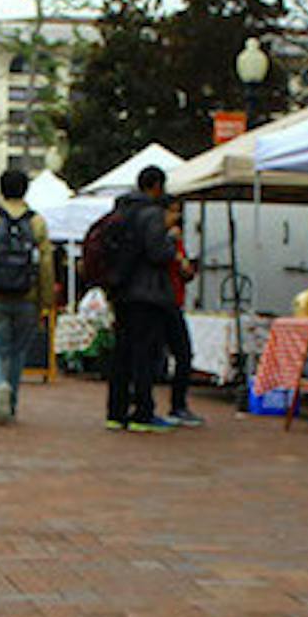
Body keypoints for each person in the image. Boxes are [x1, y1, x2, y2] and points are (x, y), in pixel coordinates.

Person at [0, 169, 54, 425]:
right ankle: (13, 401)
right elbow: (46, 264)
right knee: (19, 350)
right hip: (27, 295)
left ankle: (0, 385)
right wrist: (46, 299)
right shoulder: (36, 221)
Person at [105, 166, 179, 433]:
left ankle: (116, 412)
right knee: (145, 354)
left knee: (121, 353)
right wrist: (171, 241)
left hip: (121, 291)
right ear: (157, 185)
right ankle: (143, 413)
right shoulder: (152, 215)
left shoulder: (120, 212)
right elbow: (158, 253)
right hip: (147, 294)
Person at [156, 200, 203, 427]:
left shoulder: (177, 239)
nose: (176, 216)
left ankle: (178, 404)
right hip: (163, 302)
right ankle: (174, 405)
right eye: (172, 211)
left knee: (182, 354)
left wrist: (187, 268)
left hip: (174, 300)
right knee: (179, 353)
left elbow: (183, 270)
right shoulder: (160, 238)